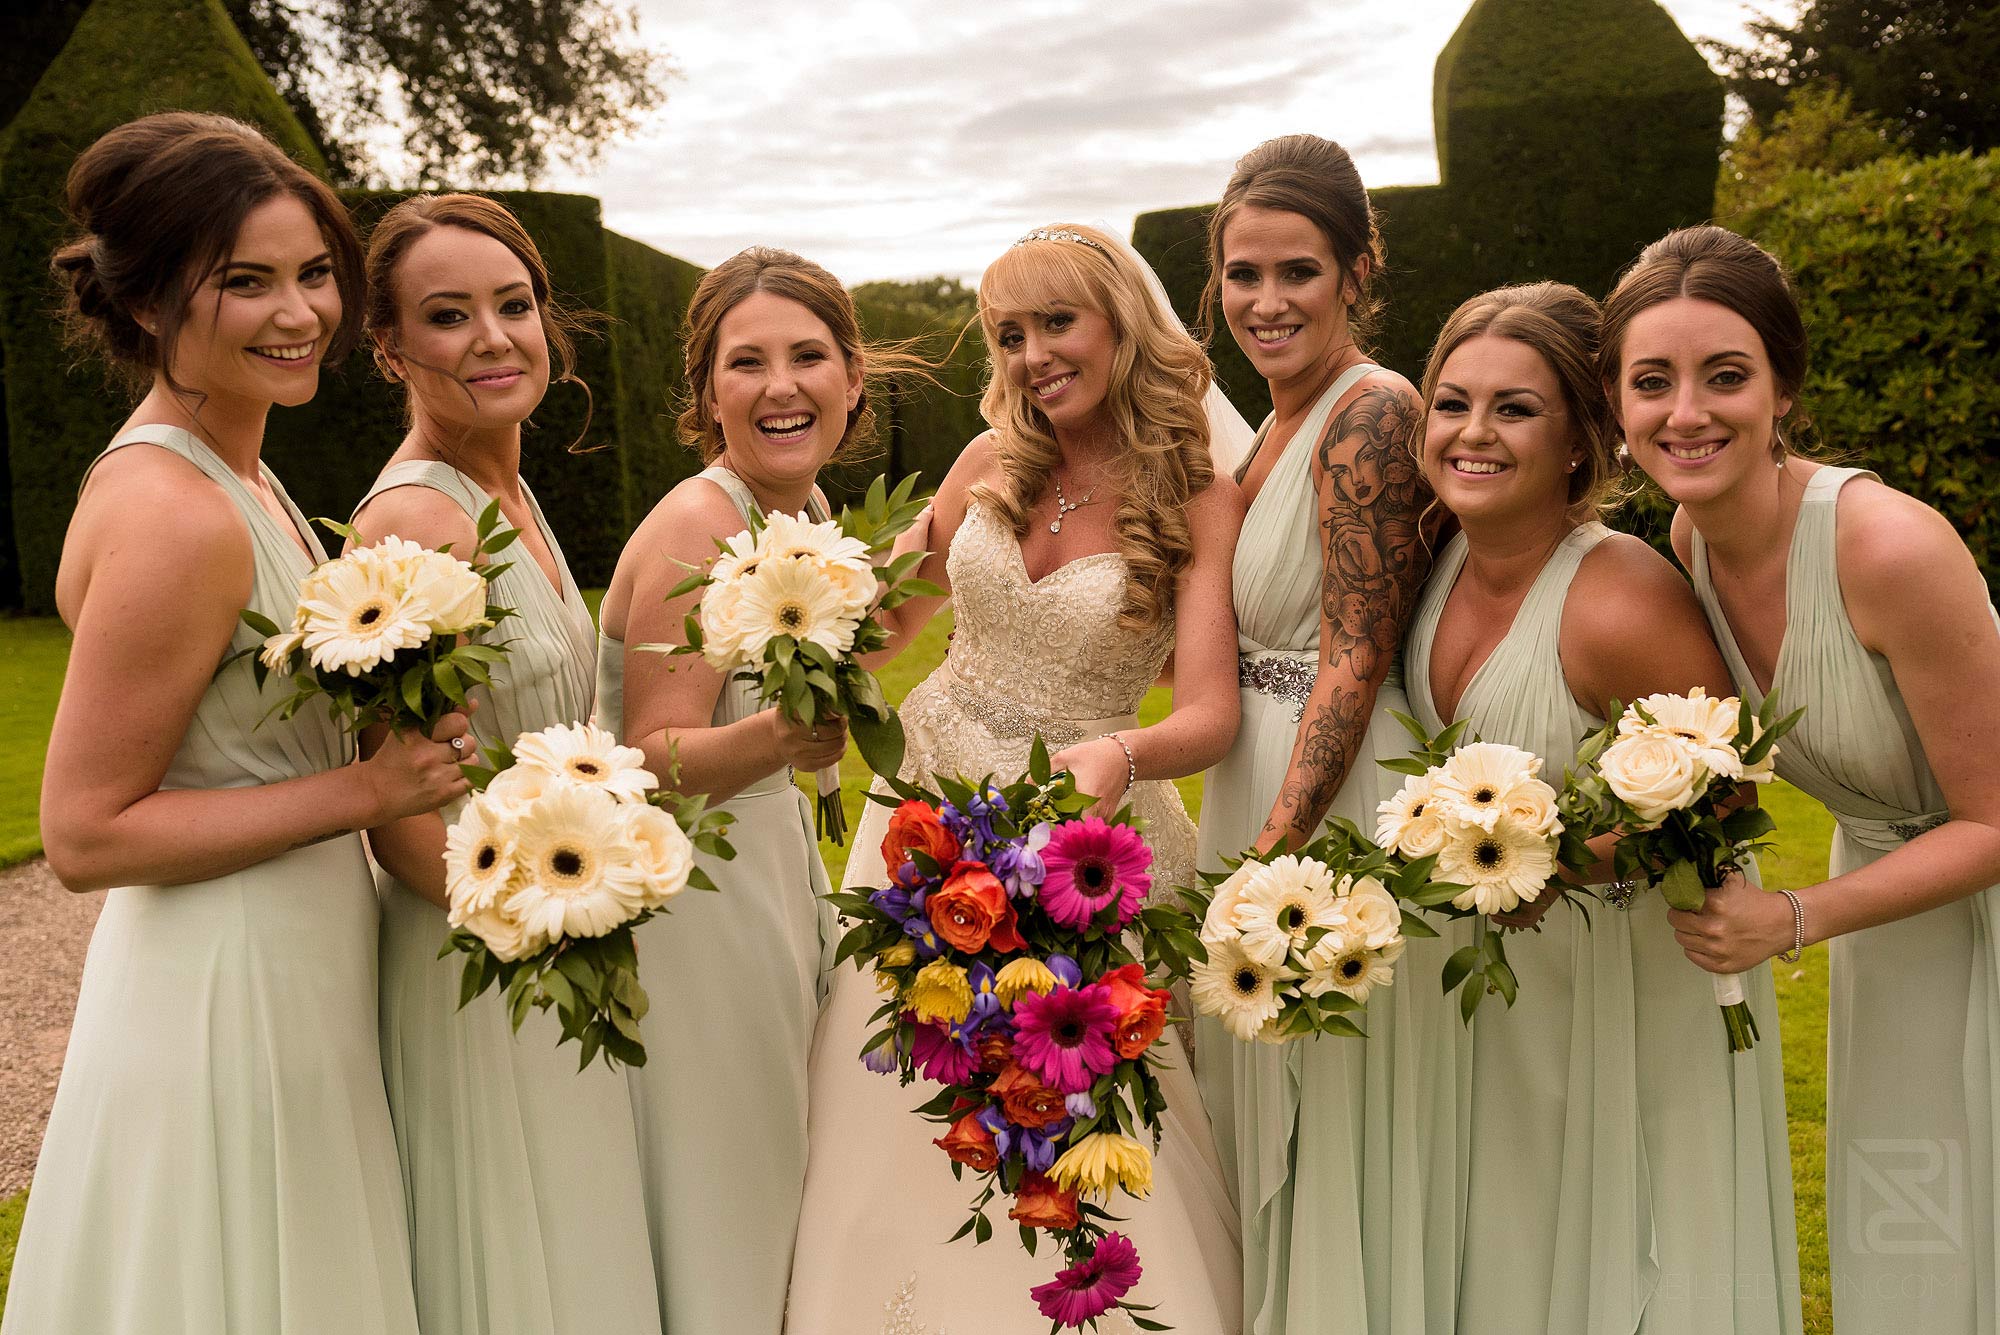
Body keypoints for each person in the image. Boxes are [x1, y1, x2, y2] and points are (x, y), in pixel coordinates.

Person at [4, 112, 467, 1335]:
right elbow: (85, 834)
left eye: (315, 274)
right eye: (245, 282)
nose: (299, 313)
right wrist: (370, 792)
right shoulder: (177, 512)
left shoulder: (247, 480)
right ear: (150, 302)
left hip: (289, 968)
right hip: (225, 993)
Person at [783, 223, 1245, 1334]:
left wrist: (1119, 756)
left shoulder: (1195, 491)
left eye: (1056, 323)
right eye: (1009, 333)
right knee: (902, 1094)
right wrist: (781, 622)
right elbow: (884, 612)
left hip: (1080, 847)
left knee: (1073, 1111)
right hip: (925, 822)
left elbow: (1210, 712)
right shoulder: (986, 463)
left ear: (1120, 328)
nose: (1033, 354)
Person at [1605, 224, 2000, 1334]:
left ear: (1782, 389)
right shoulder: (1686, 540)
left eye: (1724, 376)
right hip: (1894, 902)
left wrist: (1790, 917)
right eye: (1651, 381)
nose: (1685, 412)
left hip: (1958, 880)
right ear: (1616, 404)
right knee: (1911, 1213)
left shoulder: (1887, 550)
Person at [1407, 280, 1800, 1333]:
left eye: (1514, 408)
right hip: (1503, 993)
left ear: (1582, 442)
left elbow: (1718, 800)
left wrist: (1529, 859)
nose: (1472, 434)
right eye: (1451, 403)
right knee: (1513, 1259)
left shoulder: (1618, 594)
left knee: (1634, 1260)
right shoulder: (1435, 565)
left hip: (1631, 988)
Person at [347, 193, 662, 1335]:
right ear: (388, 347)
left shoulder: (509, 490)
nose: (491, 337)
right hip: (483, 963)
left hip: (553, 932)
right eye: (447, 316)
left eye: (513, 305)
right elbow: (394, 811)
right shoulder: (416, 526)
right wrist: (549, 934)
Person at [1189, 132, 1458, 1334]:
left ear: (1356, 267)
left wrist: (1274, 854)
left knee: (1327, 1089)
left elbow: (1354, 645)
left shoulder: (1370, 411)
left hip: (1318, 790)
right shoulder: (1268, 424)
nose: (1263, 301)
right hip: (1249, 765)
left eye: (1295, 271)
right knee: (1253, 1090)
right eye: (1241, 275)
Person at [594, 246, 868, 1333]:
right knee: (730, 1191)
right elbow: (643, 757)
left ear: (851, 374)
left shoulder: (795, 516)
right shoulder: (697, 526)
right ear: (707, 391)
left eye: (807, 356)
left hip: (760, 878)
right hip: (696, 907)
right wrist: (781, 734)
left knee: (775, 1179)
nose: (780, 386)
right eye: (744, 362)